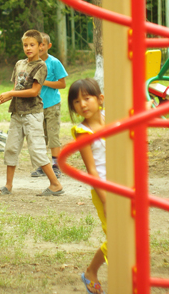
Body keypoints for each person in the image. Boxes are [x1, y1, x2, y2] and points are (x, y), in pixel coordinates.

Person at [0, 29, 63, 197]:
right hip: (17, 113)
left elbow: (34, 92)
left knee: (37, 150)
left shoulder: (41, 65)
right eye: (25, 45)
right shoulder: (20, 64)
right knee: (11, 148)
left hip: (33, 114)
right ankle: (8, 186)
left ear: (41, 46)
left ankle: (55, 184)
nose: (28, 48)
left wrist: (11, 94)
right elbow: (16, 89)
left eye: (32, 45)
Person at [67, 78, 106, 294]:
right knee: (117, 238)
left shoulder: (111, 117)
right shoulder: (83, 132)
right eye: (76, 101)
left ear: (100, 99)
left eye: (87, 98)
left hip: (125, 185)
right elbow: (92, 171)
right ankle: (92, 271)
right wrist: (106, 200)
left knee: (130, 233)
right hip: (103, 189)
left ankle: (93, 271)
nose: (82, 104)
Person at [30, 32, 67, 179]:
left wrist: (43, 82)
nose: (39, 47)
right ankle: (42, 166)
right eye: (36, 44)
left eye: (42, 44)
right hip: (36, 105)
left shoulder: (54, 63)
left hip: (52, 104)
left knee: (52, 135)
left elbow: (62, 84)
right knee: (39, 136)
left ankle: (56, 166)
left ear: (48, 46)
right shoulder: (31, 62)